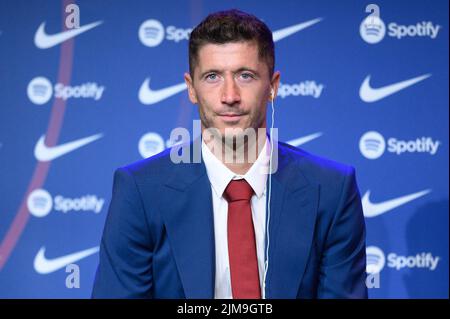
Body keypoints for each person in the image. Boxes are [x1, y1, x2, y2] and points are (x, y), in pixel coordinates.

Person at [92, 9, 367, 299]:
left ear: (272, 87)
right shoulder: (141, 191)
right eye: (212, 77)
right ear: (191, 88)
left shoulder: (332, 190)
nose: (229, 96)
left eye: (245, 76)